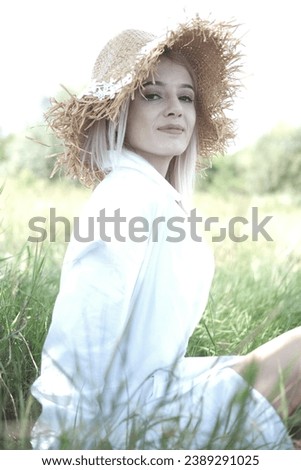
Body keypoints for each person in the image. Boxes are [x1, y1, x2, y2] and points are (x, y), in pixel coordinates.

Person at [30, 16, 301, 450]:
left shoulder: (156, 198)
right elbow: (81, 336)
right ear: (119, 111)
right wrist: (65, 445)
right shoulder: (124, 198)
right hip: (120, 425)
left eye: (186, 96)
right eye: (153, 94)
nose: (175, 108)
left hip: (153, 395)